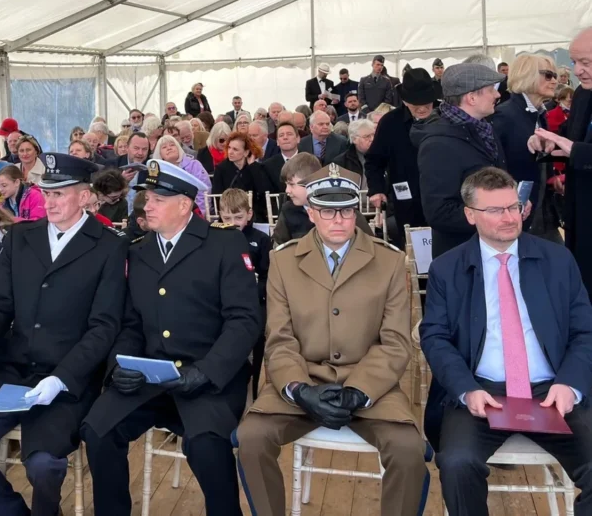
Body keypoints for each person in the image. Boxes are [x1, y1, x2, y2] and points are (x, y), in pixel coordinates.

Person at [0, 153, 126, 516]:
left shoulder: (108, 245)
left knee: (44, 465)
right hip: (14, 370)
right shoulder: (20, 237)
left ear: (85, 196)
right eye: (46, 193)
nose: (49, 202)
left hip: (67, 377)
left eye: (60, 194)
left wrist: (63, 378)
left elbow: (104, 326)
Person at [237, 170, 427, 516]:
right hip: (303, 379)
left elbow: (396, 343)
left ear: (357, 211)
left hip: (371, 385)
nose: (338, 220)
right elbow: (279, 339)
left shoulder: (388, 261)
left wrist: (359, 391)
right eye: (327, 210)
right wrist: (298, 389)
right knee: (251, 438)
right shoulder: (283, 261)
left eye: (347, 210)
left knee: (408, 449)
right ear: (310, 212)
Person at [81, 159, 260, 516]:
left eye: (157, 200)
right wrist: (119, 366)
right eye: (147, 198)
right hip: (151, 376)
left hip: (208, 377)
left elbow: (244, 320)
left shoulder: (223, 243)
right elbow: (131, 322)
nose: (146, 206)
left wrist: (206, 372)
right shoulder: (139, 250)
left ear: (184, 205)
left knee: (207, 445)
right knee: (97, 429)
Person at [420, 167, 592, 515]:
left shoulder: (558, 259)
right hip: (482, 391)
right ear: (470, 215)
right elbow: (435, 337)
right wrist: (466, 389)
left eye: (514, 206)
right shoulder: (447, 268)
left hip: (553, 389)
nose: (510, 217)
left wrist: (570, 384)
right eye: (495, 210)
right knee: (457, 463)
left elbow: (584, 331)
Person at [414, 63, 511, 258]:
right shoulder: (437, 144)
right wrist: (492, 215)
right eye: (491, 89)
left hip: (491, 250)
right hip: (461, 257)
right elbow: (439, 212)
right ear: (471, 97)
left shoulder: (485, 130)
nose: (497, 94)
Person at [530, 27, 592, 294]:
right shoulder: (583, 95)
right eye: (575, 62)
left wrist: (574, 150)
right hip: (580, 214)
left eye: (585, 62)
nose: (577, 71)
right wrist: (547, 142)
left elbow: (576, 148)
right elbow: (570, 136)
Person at [365, 68, 437, 249]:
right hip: (407, 202)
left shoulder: (447, 118)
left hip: (444, 200)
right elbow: (374, 160)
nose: (422, 108)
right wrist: (376, 189)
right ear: (405, 101)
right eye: (415, 104)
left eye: (426, 103)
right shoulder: (390, 122)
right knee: (414, 252)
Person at [492, 53, 560, 241]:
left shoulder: (539, 114)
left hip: (543, 213)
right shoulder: (504, 116)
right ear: (527, 75)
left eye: (555, 75)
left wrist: (552, 177)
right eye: (548, 75)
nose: (554, 81)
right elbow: (494, 165)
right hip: (518, 216)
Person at [219, 188, 271, 400]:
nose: (233, 223)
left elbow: (269, 278)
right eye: (227, 218)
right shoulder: (215, 238)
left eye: (238, 217)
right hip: (222, 303)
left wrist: (253, 288)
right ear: (220, 215)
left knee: (260, 333)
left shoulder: (261, 239)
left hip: (254, 302)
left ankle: (258, 389)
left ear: (249, 215)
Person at [212, 131, 270, 222]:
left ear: (246, 152)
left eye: (235, 149)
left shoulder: (256, 168)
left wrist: (252, 166)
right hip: (229, 214)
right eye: (229, 148)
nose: (230, 152)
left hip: (253, 216)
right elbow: (216, 197)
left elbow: (264, 192)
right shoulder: (221, 169)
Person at [153, 135, 211, 215]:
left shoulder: (194, 165)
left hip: (194, 212)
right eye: (164, 147)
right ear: (160, 154)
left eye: (172, 145)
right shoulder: (157, 171)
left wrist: (198, 213)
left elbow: (204, 191)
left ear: (178, 148)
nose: (169, 148)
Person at [333, 118, 376, 188]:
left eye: (374, 135)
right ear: (354, 139)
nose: (372, 139)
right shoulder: (341, 162)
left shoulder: (384, 157)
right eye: (367, 136)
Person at [262, 121, 300, 193]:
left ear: (298, 139)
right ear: (277, 142)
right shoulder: (268, 166)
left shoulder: (310, 161)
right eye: (281, 135)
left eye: (289, 134)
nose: (285, 137)